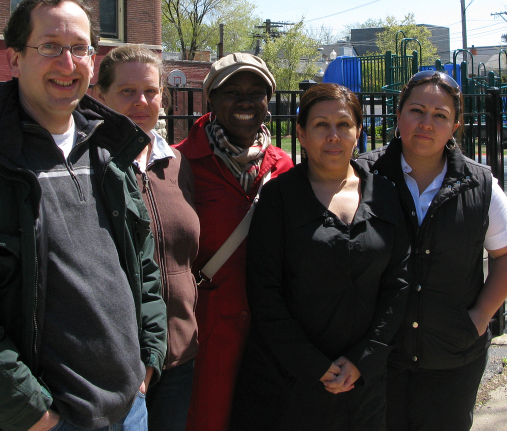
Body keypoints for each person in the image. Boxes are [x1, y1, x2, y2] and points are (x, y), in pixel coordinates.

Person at [0, 0, 167, 431]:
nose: (67, 64)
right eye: (50, 47)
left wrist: (148, 360)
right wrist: (35, 415)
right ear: (14, 59)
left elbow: (144, 267)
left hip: (127, 411)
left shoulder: (107, 153)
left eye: (80, 49)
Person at [230, 84, 411, 431]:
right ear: (301, 133)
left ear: (358, 132)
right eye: (320, 125)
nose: (333, 136)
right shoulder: (279, 198)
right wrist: (313, 365)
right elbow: (265, 292)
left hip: (363, 387)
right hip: (290, 386)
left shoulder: (385, 195)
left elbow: (398, 285)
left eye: (344, 125)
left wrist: (362, 360)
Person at [358, 70, 507, 431]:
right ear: (398, 114)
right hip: (375, 360)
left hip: (452, 360)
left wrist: (479, 318)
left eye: (440, 116)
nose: (426, 124)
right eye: (416, 111)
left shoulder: (480, 185)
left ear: (455, 126)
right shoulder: (361, 178)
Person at [174, 53, 294, 431]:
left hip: (269, 337)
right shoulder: (178, 164)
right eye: (232, 92)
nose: (245, 101)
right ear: (211, 98)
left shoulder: (285, 167)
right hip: (204, 337)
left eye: (256, 92)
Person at [94, 45, 199, 431]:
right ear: (99, 96)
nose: (141, 101)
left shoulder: (177, 166)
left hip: (181, 356)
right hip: (119, 364)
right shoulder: (90, 168)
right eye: (127, 91)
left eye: (151, 91)